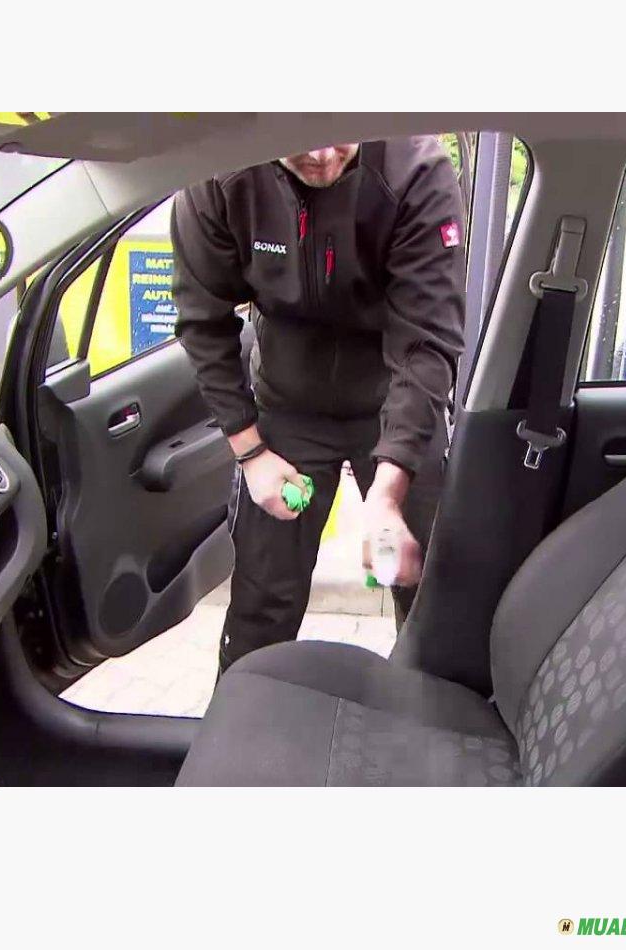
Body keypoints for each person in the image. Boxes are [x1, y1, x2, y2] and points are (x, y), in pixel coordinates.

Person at [170, 138, 466, 673]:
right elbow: (203, 323)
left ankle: (426, 716)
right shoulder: (220, 173)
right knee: (263, 600)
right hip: (286, 407)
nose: (324, 155)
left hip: (393, 402)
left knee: (429, 598)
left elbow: (426, 342)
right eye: (299, 139)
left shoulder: (415, 170)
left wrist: (389, 492)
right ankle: (247, 718)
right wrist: (249, 452)